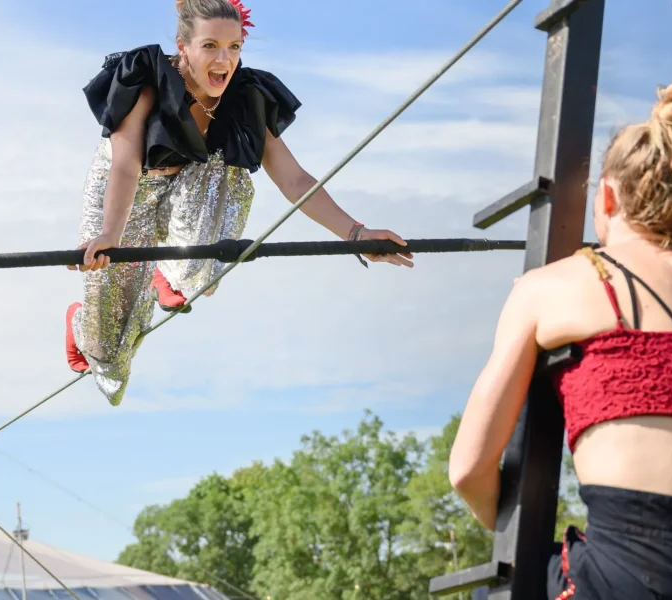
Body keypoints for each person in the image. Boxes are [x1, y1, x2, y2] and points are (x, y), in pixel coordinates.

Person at [448, 79, 672, 599]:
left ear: (607, 196)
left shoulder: (551, 286)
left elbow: (468, 469)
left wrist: (505, 527)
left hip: (641, 576)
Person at [62, 0, 413, 406]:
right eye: (210, 45)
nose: (223, 59)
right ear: (184, 47)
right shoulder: (148, 79)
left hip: (184, 196)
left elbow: (294, 179)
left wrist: (357, 233)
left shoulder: (245, 95)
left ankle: (174, 272)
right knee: (110, 354)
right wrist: (110, 234)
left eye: (234, 47)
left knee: (228, 170)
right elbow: (124, 166)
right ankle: (81, 323)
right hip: (121, 195)